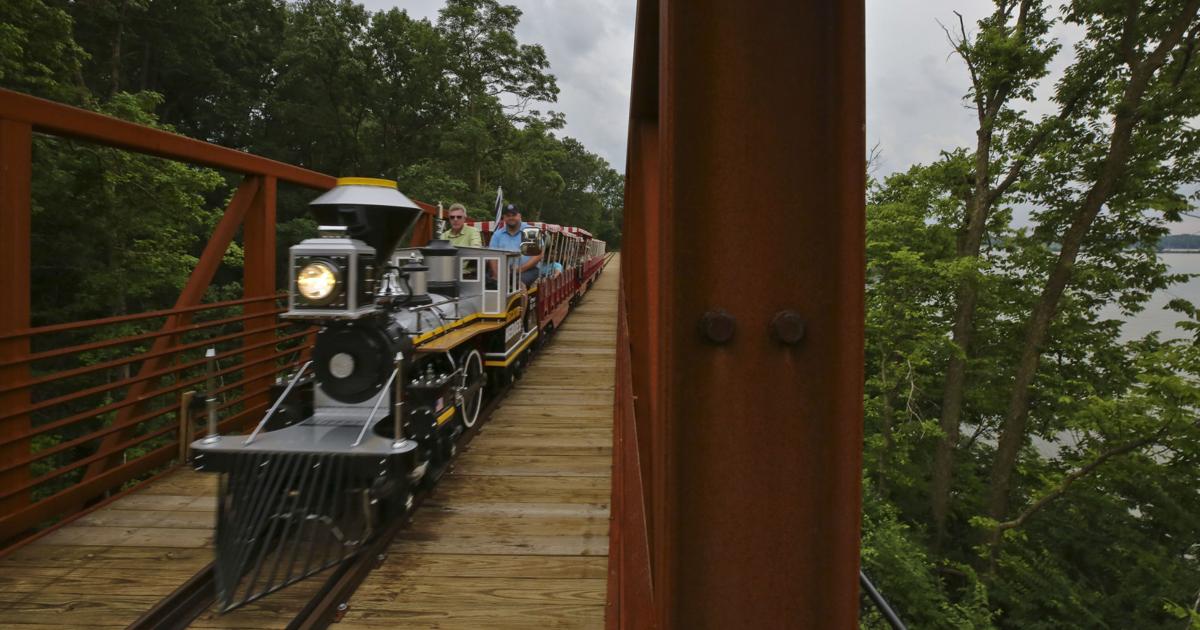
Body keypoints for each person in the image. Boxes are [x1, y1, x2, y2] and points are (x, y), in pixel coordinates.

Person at [488, 203, 542, 286]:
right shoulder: (497, 235)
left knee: (518, 284)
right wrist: (496, 275)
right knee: (486, 281)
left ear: (519, 216)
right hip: (504, 270)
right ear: (504, 218)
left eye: (514, 215)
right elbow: (493, 256)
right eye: (508, 215)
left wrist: (519, 269)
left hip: (528, 270)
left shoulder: (530, 231)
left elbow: (538, 256)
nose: (511, 218)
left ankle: (523, 298)